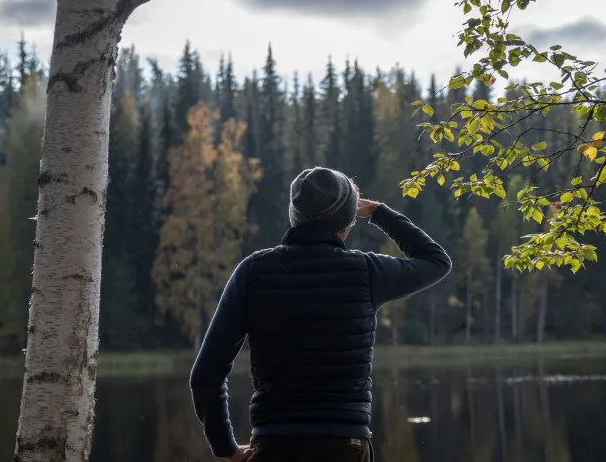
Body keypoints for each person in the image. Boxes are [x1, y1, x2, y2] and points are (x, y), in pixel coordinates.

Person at [189, 166, 452, 462]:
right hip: (345, 446)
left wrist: (226, 449)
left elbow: (205, 376)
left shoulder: (253, 272)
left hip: (274, 445)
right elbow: (436, 260)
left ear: (294, 215)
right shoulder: (366, 272)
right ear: (346, 222)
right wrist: (378, 212)